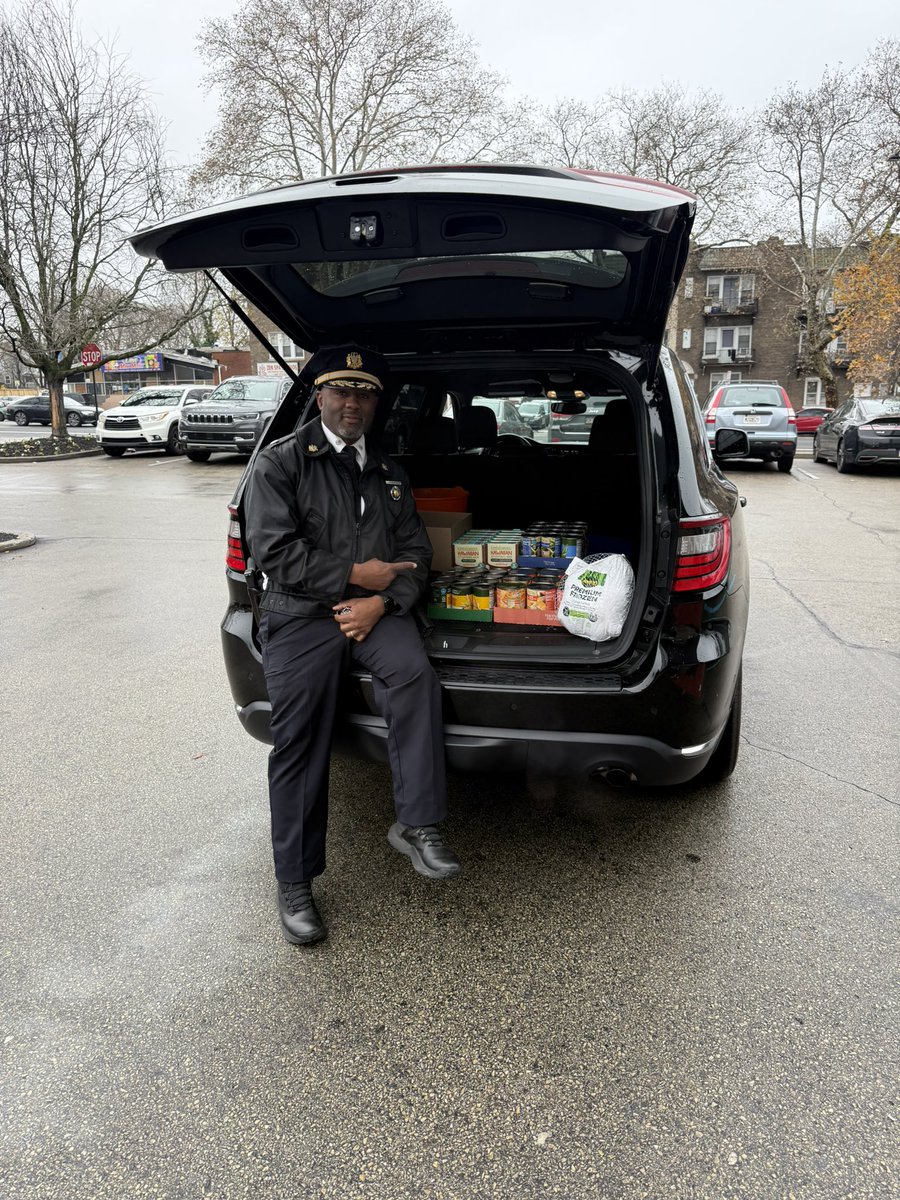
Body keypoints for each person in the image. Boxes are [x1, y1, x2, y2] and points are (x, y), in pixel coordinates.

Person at [244, 344, 460, 946]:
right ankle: (295, 882)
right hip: (301, 614)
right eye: (341, 391)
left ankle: (416, 823)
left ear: (376, 404)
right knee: (299, 738)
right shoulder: (281, 463)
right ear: (320, 397)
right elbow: (274, 552)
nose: (352, 404)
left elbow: (416, 554)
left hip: (372, 613)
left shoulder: (389, 474)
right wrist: (354, 576)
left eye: (364, 394)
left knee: (414, 678)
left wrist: (381, 604)